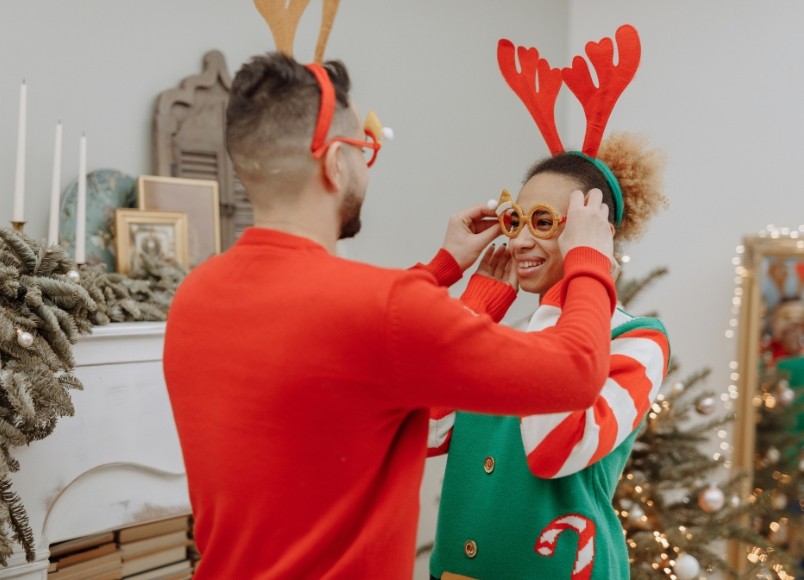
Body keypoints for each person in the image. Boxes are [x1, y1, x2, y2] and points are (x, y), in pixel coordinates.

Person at [162, 52, 620, 579]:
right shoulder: (383, 309)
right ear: (335, 161)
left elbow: (346, 342)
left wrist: (441, 268)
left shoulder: (195, 297)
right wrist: (589, 258)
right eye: (365, 148)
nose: (366, 163)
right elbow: (576, 372)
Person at [427, 25, 671, 580]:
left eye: (545, 223)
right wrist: (472, 313)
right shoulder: (501, 335)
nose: (518, 241)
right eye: (516, 219)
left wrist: (587, 266)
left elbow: (555, 446)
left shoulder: (639, 339)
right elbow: (423, 432)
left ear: (593, 232)